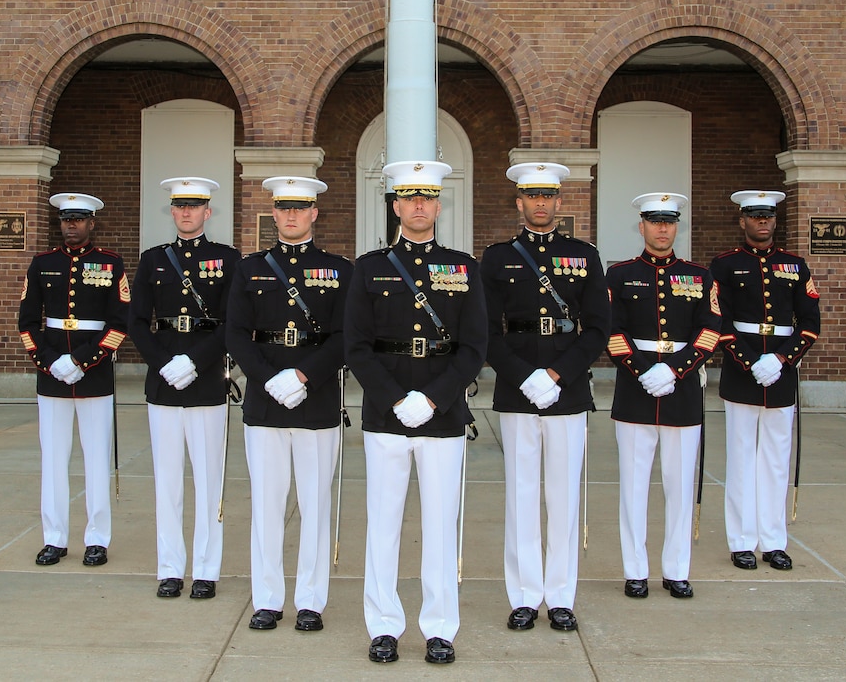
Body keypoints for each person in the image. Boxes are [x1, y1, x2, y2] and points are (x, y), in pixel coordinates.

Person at [344, 160, 486, 665]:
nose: (419, 205)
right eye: (409, 198)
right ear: (396, 206)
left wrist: (433, 397)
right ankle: (383, 625)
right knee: (382, 523)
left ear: (438, 205)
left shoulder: (463, 266)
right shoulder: (369, 266)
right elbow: (356, 345)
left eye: (427, 197)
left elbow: (474, 346)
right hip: (387, 414)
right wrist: (391, 397)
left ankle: (440, 626)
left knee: (441, 524)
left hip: (442, 412)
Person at [480, 162, 610, 632]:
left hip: (567, 389)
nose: (540, 203)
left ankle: (560, 596)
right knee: (521, 495)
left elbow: (598, 328)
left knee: (562, 495)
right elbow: (486, 330)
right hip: (518, 391)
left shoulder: (584, 256)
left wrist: (556, 373)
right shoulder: (495, 259)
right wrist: (521, 376)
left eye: (548, 196)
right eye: (530, 196)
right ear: (519, 202)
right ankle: (523, 594)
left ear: (559, 202)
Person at [226, 176, 352, 633]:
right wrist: (267, 378)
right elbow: (236, 332)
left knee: (316, 504)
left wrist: (303, 375)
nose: (293, 216)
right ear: (274, 214)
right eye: (285, 208)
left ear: (315, 213)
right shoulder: (248, 268)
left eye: (302, 208)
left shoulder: (339, 269)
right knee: (267, 504)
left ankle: (311, 600)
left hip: (317, 400)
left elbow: (345, 337)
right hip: (265, 402)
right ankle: (268, 598)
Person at [128, 176, 240, 600]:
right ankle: (170, 568)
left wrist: (194, 361)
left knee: (210, 481)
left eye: (195, 206)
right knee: (168, 481)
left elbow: (233, 323)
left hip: (207, 378)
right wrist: (163, 363)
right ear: (172, 212)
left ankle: (207, 570)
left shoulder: (227, 259)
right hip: (163, 380)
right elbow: (137, 321)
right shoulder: (153, 259)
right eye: (180, 206)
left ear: (207, 212)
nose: (187, 212)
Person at [605, 193, 721, 600]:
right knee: (634, 487)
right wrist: (642, 370)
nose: (662, 228)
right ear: (642, 226)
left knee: (680, 485)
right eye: (654, 221)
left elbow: (710, 331)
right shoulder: (619, 275)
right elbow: (611, 332)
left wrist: (674, 370)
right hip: (635, 392)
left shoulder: (700, 276)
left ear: (677, 227)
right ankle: (635, 570)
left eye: (669, 222)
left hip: (682, 390)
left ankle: (676, 570)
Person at [18, 193, 130, 568]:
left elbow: (120, 323)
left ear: (92, 223)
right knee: (53, 459)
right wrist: (50, 363)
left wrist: (83, 360)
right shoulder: (42, 263)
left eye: (79, 219)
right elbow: (27, 322)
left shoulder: (111, 263)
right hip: (51, 375)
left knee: (97, 459)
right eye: (66, 219)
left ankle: (97, 539)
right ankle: (55, 538)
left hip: (94, 373)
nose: (71, 225)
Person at [710, 190, 820, 572]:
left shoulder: (795, 265)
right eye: (754, 215)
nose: (762, 222)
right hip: (742, 372)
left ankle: (773, 541)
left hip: (781, 372)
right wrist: (747, 360)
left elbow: (810, 322)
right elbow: (718, 320)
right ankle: (741, 540)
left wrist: (781, 359)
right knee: (741, 458)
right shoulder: (724, 265)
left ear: (775, 220)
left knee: (775, 460)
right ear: (742, 221)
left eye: (768, 215)